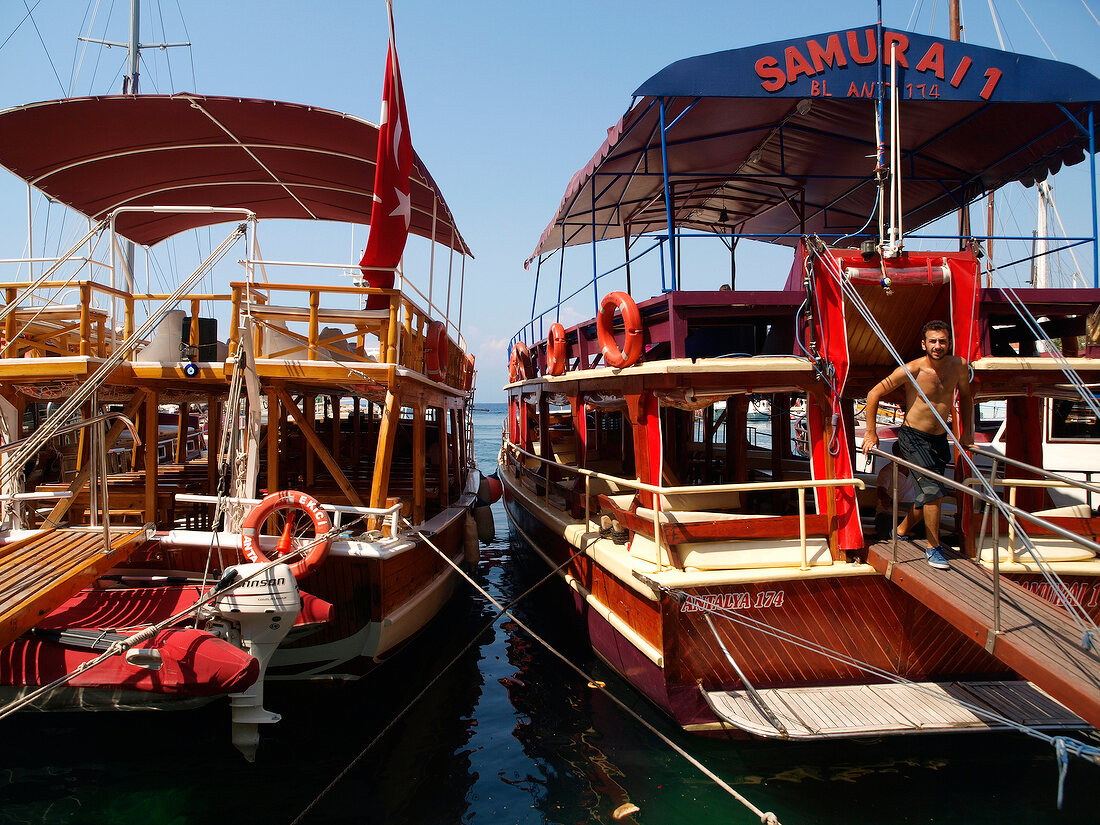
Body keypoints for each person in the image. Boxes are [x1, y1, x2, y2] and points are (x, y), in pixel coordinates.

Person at [862, 320, 973, 570]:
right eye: (932, 341)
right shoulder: (912, 369)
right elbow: (873, 393)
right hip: (913, 438)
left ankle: (900, 530)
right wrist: (870, 433)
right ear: (924, 344)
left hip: (938, 440)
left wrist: (967, 434)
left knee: (927, 496)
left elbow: (966, 397)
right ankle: (934, 549)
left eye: (942, 341)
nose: (937, 346)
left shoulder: (959, 366)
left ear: (949, 343)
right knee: (933, 492)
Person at [875, 441, 917, 539]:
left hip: (909, 515)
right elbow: (881, 490)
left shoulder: (915, 471)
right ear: (898, 454)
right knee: (885, 527)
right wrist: (885, 498)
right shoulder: (887, 471)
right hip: (888, 514)